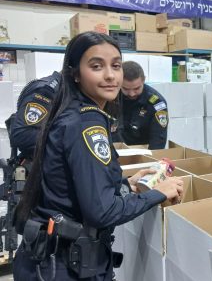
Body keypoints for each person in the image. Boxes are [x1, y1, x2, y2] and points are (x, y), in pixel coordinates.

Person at [13, 31, 184, 280]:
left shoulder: (75, 113)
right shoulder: (86, 123)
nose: (110, 75)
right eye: (96, 66)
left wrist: (127, 184)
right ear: (75, 73)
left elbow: (75, 188)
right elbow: (102, 212)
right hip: (61, 266)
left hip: (49, 257)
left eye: (116, 65)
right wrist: (159, 193)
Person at [8, 71, 62, 158]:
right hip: (41, 166)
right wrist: (68, 140)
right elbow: (23, 135)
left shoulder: (67, 90)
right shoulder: (47, 91)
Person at [117, 61, 168, 149]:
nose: (132, 94)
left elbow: (158, 139)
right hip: (115, 149)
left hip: (143, 150)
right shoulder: (111, 96)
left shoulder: (156, 102)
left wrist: (152, 160)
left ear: (144, 80)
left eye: (136, 88)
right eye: (125, 88)